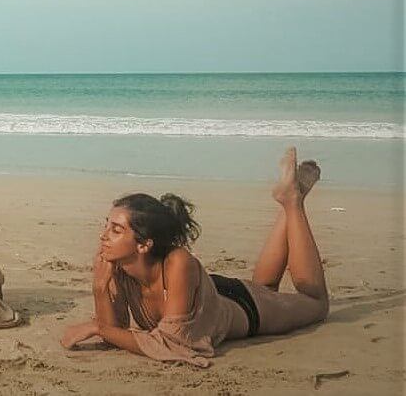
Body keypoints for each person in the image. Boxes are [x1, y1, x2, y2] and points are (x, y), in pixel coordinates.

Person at [60, 147, 329, 367]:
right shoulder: (117, 266)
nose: (103, 236)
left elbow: (175, 344)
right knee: (266, 287)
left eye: (116, 230)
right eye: (106, 225)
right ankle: (291, 200)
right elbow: (116, 331)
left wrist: (98, 328)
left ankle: (293, 202)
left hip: (244, 308)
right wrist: (99, 288)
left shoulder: (178, 262)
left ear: (144, 245)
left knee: (316, 303)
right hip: (208, 295)